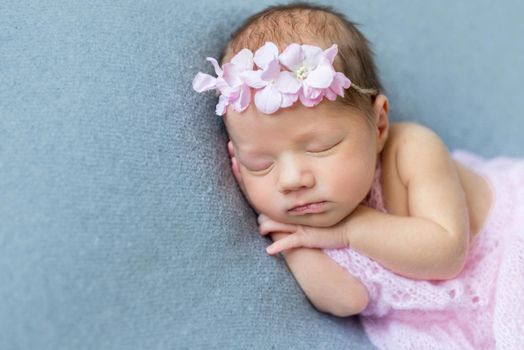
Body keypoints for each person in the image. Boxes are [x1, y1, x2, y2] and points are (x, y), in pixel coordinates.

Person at [192, 2, 524, 349]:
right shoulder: (306, 221)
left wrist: (349, 231)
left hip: (505, 259)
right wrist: (292, 243)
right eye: (260, 164)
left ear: (379, 125)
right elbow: (348, 301)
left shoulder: (411, 149)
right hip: (433, 326)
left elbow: (447, 252)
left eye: (321, 147)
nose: (291, 180)